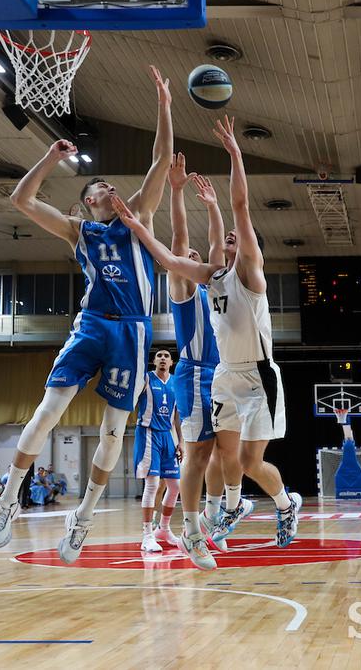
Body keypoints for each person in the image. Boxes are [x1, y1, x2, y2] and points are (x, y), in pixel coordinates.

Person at [0, 65, 173, 564]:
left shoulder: (139, 219)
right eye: (100, 189)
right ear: (87, 203)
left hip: (133, 332)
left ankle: (84, 515)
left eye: (114, 186)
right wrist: (50, 156)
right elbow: (21, 199)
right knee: (49, 412)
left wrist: (164, 104)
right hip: (92, 325)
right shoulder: (79, 231)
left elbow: (160, 161)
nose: (110, 190)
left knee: (114, 432)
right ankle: (7, 501)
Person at [115, 116, 301, 570]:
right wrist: (136, 226)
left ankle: (284, 504)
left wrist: (235, 154)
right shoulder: (210, 277)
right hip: (223, 377)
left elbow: (240, 207)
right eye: (227, 242)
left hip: (259, 375)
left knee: (252, 462)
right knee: (221, 453)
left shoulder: (250, 273)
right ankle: (222, 510)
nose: (230, 240)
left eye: (238, 239)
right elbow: (170, 254)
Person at [164, 152, 254, 554]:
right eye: (190, 258)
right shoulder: (183, 290)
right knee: (198, 453)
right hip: (195, 371)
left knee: (223, 450)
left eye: (201, 258)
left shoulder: (213, 287)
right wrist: (177, 192)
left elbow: (217, 246)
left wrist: (215, 207)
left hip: (221, 373)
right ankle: (190, 530)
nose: (196, 257)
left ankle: (215, 516)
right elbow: (180, 239)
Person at [135, 349, 183, 553]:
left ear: (172, 362)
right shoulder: (146, 378)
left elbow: (177, 415)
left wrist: (181, 441)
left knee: (175, 486)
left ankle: (163, 529)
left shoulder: (176, 382)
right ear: (154, 361)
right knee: (153, 484)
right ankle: (146, 536)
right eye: (159, 356)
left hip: (167, 435)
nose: (162, 358)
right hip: (148, 433)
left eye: (166, 356)